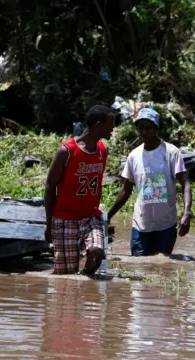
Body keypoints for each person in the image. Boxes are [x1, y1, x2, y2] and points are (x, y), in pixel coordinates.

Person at [107, 108, 192, 257]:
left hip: (165, 226)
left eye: (148, 128)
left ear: (156, 128)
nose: (144, 132)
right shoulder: (134, 156)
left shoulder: (171, 153)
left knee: (163, 272)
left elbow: (185, 183)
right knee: (140, 270)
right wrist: (108, 216)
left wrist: (187, 213)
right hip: (141, 226)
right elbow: (126, 190)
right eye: (141, 129)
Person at [44, 105, 116, 276]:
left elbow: (97, 185)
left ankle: (86, 278)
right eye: (110, 124)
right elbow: (50, 186)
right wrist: (49, 224)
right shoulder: (67, 151)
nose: (113, 129)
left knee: (97, 250)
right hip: (64, 220)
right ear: (99, 125)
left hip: (90, 217)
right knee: (64, 276)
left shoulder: (102, 150)